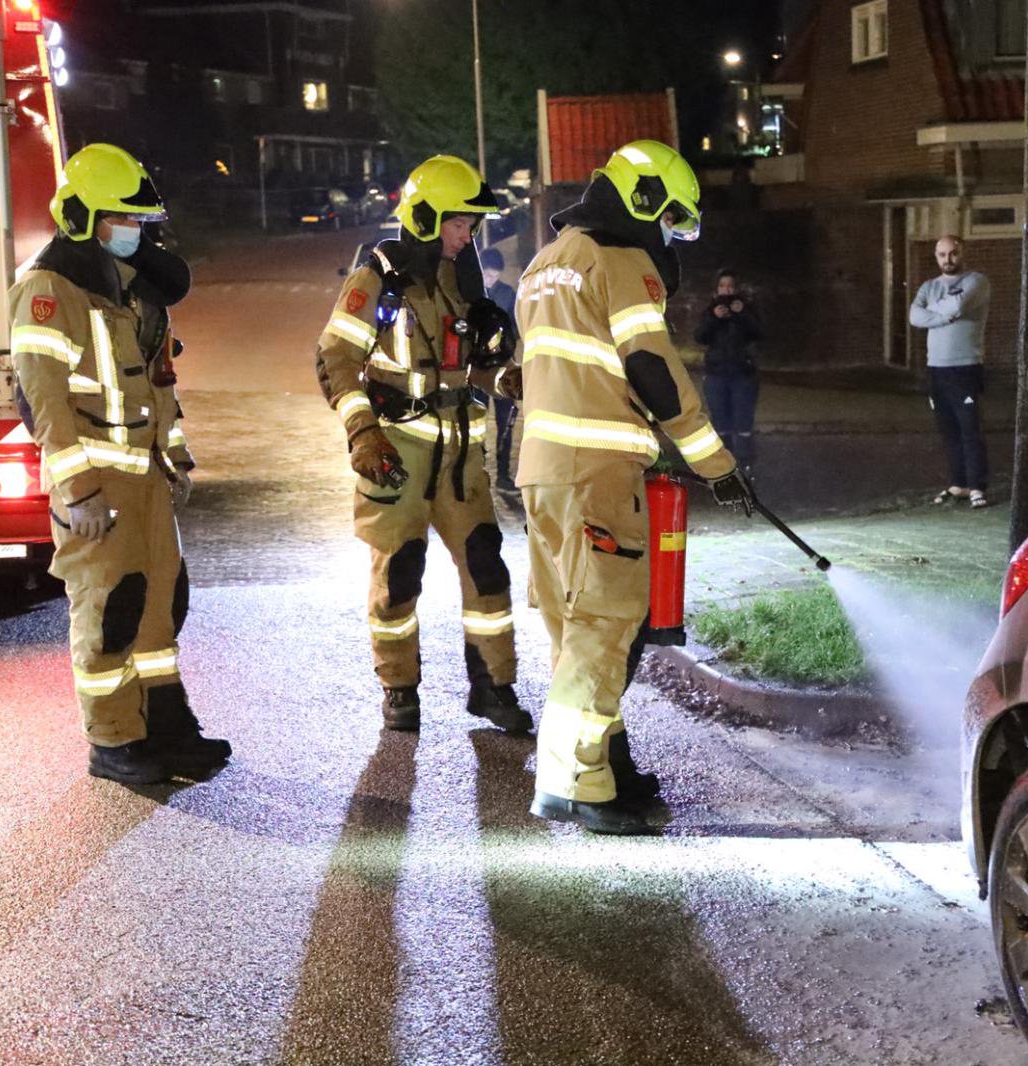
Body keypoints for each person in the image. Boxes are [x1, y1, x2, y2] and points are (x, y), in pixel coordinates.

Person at [516, 140, 756, 835]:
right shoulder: (617, 261)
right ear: (644, 201)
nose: (669, 240)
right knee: (605, 627)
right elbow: (653, 370)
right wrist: (717, 465)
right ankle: (574, 783)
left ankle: (608, 766)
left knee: (576, 631)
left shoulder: (543, 264)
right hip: (597, 476)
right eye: (670, 222)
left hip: (542, 475)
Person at [10, 143, 230, 785]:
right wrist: (76, 491)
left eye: (141, 221)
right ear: (82, 217)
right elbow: (44, 400)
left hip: (147, 481)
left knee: (161, 606)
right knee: (111, 609)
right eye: (123, 219)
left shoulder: (131, 291)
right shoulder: (48, 290)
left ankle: (163, 728)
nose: (136, 231)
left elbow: (159, 384)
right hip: (97, 487)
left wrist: (177, 457)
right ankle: (113, 741)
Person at [314, 154, 529, 734]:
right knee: (401, 574)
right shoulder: (378, 277)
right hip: (396, 459)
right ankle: (399, 688)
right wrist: (362, 432)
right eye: (460, 223)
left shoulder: (466, 283)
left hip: (462, 463)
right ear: (430, 218)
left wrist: (510, 378)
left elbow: (473, 367)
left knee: (487, 569)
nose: (468, 235)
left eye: (472, 226)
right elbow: (335, 357)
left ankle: (494, 686)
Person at [909, 235, 992, 509]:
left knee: (970, 428)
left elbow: (957, 306)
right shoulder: (929, 286)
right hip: (936, 368)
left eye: (953, 253)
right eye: (942, 254)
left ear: (962, 253)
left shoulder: (975, 282)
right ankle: (957, 484)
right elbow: (914, 317)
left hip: (965, 366)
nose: (948, 260)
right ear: (936, 256)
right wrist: (946, 314)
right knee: (948, 430)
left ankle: (977, 486)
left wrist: (935, 313)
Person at [692, 269, 762, 475]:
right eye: (722, 286)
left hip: (743, 375)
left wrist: (743, 315)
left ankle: (746, 465)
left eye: (730, 286)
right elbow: (700, 336)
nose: (726, 290)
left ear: (736, 288)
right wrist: (714, 318)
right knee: (720, 422)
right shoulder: (711, 310)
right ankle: (724, 466)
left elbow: (759, 332)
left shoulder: (746, 309)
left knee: (743, 422)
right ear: (716, 290)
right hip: (717, 374)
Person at [480, 246, 520, 492]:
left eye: (495, 276)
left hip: (503, 370)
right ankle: (476, 471)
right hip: (477, 370)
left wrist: (504, 345)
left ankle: (503, 475)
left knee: (506, 425)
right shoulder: (473, 293)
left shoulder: (507, 294)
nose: (492, 280)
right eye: (488, 275)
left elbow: (515, 328)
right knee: (474, 424)